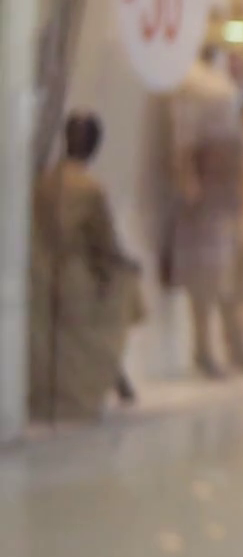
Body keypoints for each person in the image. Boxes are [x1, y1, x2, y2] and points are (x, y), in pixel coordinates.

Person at [28, 112, 144, 424]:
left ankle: (117, 376)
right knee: (126, 292)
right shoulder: (91, 188)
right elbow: (105, 243)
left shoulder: (43, 181)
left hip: (37, 274)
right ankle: (112, 373)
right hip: (70, 275)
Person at [167, 42, 243, 377]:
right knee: (206, 269)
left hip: (225, 185)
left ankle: (230, 342)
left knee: (225, 268)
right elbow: (183, 136)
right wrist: (187, 178)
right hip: (208, 182)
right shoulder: (191, 82)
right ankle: (204, 347)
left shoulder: (218, 80)